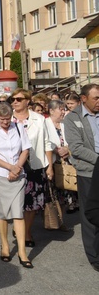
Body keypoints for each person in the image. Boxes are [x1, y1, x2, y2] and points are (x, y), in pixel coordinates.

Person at [0, 102, 33, 268]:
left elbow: (25, 149)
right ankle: (4, 244)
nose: (5, 122)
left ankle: (22, 251)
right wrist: (10, 167)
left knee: (18, 212)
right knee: (2, 212)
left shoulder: (18, 127)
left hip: (18, 175)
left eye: (8, 118)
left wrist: (17, 167)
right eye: (2, 119)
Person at [10, 88, 53, 248]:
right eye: (13, 99)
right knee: (16, 201)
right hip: (13, 166)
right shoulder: (7, 118)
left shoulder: (39, 119)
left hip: (35, 165)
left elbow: (46, 142)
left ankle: (26, 232)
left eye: (19, 99)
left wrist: (49, 166)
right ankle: (19, 227)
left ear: (28, 101)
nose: (15, 101)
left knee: (32, 203)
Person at [64, 83, 99, 271]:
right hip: (89, 171)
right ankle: (95, 256)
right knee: (91, 214)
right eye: (96, 98)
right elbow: (76, 148)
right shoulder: (72, 118)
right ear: (84, 99)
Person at [45, 99, 78, 214]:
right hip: (53, 162)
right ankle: (54, 219)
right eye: (61, 109)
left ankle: (63, 218)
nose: (64, 112)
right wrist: (56, 150)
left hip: (67, 160)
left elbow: (74, 139)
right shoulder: (45, 123)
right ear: (52, 111)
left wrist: (67, 149)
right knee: (53, 192)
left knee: (66, 189)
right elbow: (45, 142)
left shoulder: (65, 124)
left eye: (64, 109)